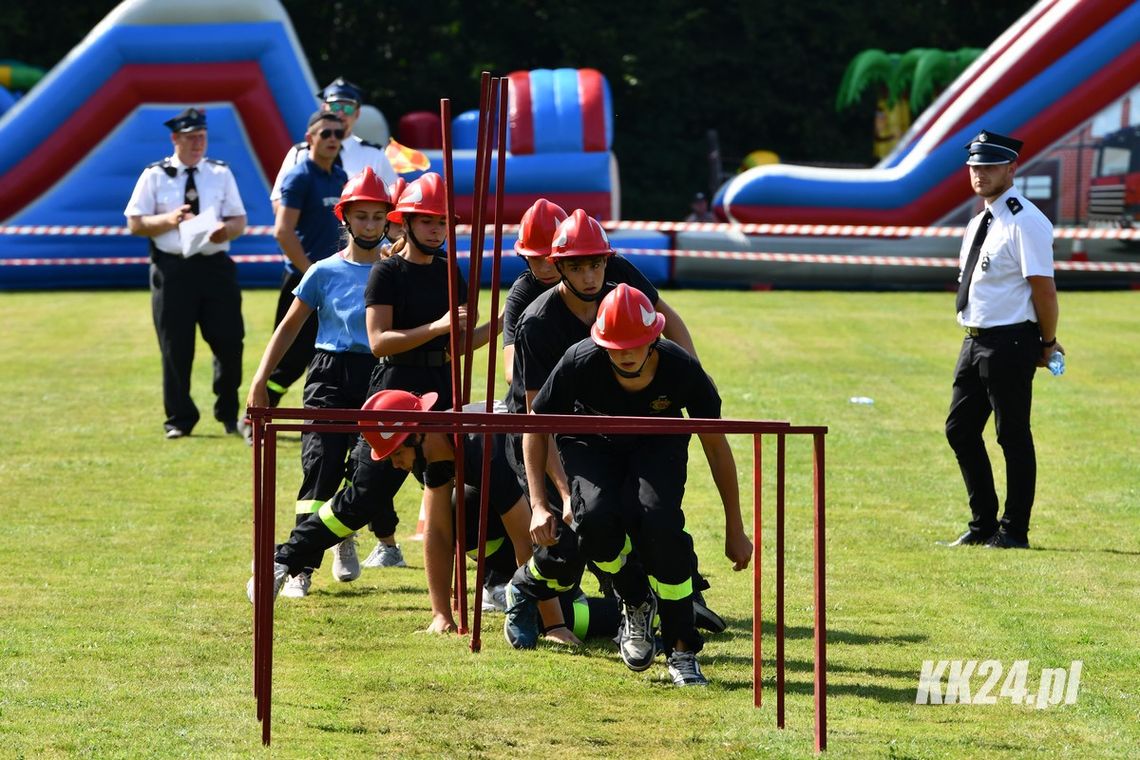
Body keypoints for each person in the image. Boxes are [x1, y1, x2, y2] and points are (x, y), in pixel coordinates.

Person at [248, 173, 496, 598]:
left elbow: (457, 345)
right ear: (407, 223)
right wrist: (436, 326)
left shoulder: (451, 271)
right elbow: (380, 340)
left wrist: (505, 322)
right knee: (362, 493)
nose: (436, 231)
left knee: (470, 488)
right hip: (393, 387)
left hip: (442, 386)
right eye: (427, 222)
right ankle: (286, 559)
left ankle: (499, 580)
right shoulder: (386, 272)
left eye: (443, 223)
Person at [504, 208, 724, 636]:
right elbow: (534, 410)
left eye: (594, 264)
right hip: (550, 431)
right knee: (570, 533)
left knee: (648, 513)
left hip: (614, 427)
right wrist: (558, 495)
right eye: (540, 260)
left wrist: (687, 373)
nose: (585, 274)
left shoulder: (615, 278)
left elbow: (666, 317)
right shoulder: (532, 314)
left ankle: (667, 601)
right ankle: (528, 593)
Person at [523, 284, 753, 686]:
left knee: (660, 523)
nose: (625, 353)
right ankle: (635, 599)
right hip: (591, 441)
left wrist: (736, 528)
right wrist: (540, 502)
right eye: (615, 346)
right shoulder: (579, 361)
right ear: (599, 342)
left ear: (654, 339)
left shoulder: (682, 370)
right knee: (593, 519)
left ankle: (682, 651)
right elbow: (535, 427)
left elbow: (717, 448)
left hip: (657, 439)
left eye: (636, 344)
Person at [245, 168, 392, 597]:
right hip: (329, 372)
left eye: (377, 217)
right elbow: (288, 330)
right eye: (360, 216)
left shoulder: (395, 271)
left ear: (387, 220)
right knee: (320, 466)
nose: (369, 225)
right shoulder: (323, 272)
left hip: (379, 375)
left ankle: (342, 535)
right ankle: (300, 569)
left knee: (366, 469)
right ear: (344, 218)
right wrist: (261, 381)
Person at [944, 130, 1062, 550]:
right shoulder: (981, 220)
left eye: (990, 166)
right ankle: (983, 524)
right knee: (959, 430)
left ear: (1012, 169)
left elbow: (1043, 289)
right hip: (975, 340)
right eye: (975, 167)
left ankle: (1014, 530)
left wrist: (1047, 343)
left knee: (1012, 435)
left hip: (1010, 341)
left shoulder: (1023, 219)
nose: (980, 173)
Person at [124, 107, 248, 440]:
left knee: (229, 341)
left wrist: (227, 231)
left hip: (215, 267)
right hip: (173, 268)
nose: (197, 144)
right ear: (175, 139)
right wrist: (169, 220)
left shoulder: (220, 173)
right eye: (191, 138)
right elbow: (135, 222)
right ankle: (179, 418)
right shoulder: (155, 175)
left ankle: (227, 412)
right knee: (175, 346)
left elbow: (239, 219)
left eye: (202, 137)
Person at [263, 111, 351, 412]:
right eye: (325, 133)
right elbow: (282, 231)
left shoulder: (341, 178)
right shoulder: (299, 176)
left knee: (331, 353)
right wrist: (310, 273)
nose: (332, 139)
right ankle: (258, 412)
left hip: (338, 281)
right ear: (309, 137)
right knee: (289, 356)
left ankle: (325, 415)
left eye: (338, 134)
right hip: (304, 279)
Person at [269, 77, 397, 210]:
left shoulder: (375, 155)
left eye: (348, 108)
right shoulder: (300, 153)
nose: (340, 113)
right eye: (335, 107)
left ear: (357, 113)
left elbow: (393, 200)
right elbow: (278, 200)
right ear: (324, 109)